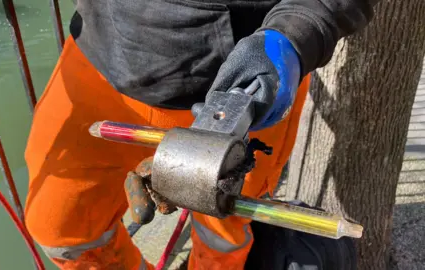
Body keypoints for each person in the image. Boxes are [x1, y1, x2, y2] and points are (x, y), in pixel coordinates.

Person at [24, 0, 379, 269]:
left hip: (249, 78)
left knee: (224, 235)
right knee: (59, 227)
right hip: (98, 55)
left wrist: (299, 30)